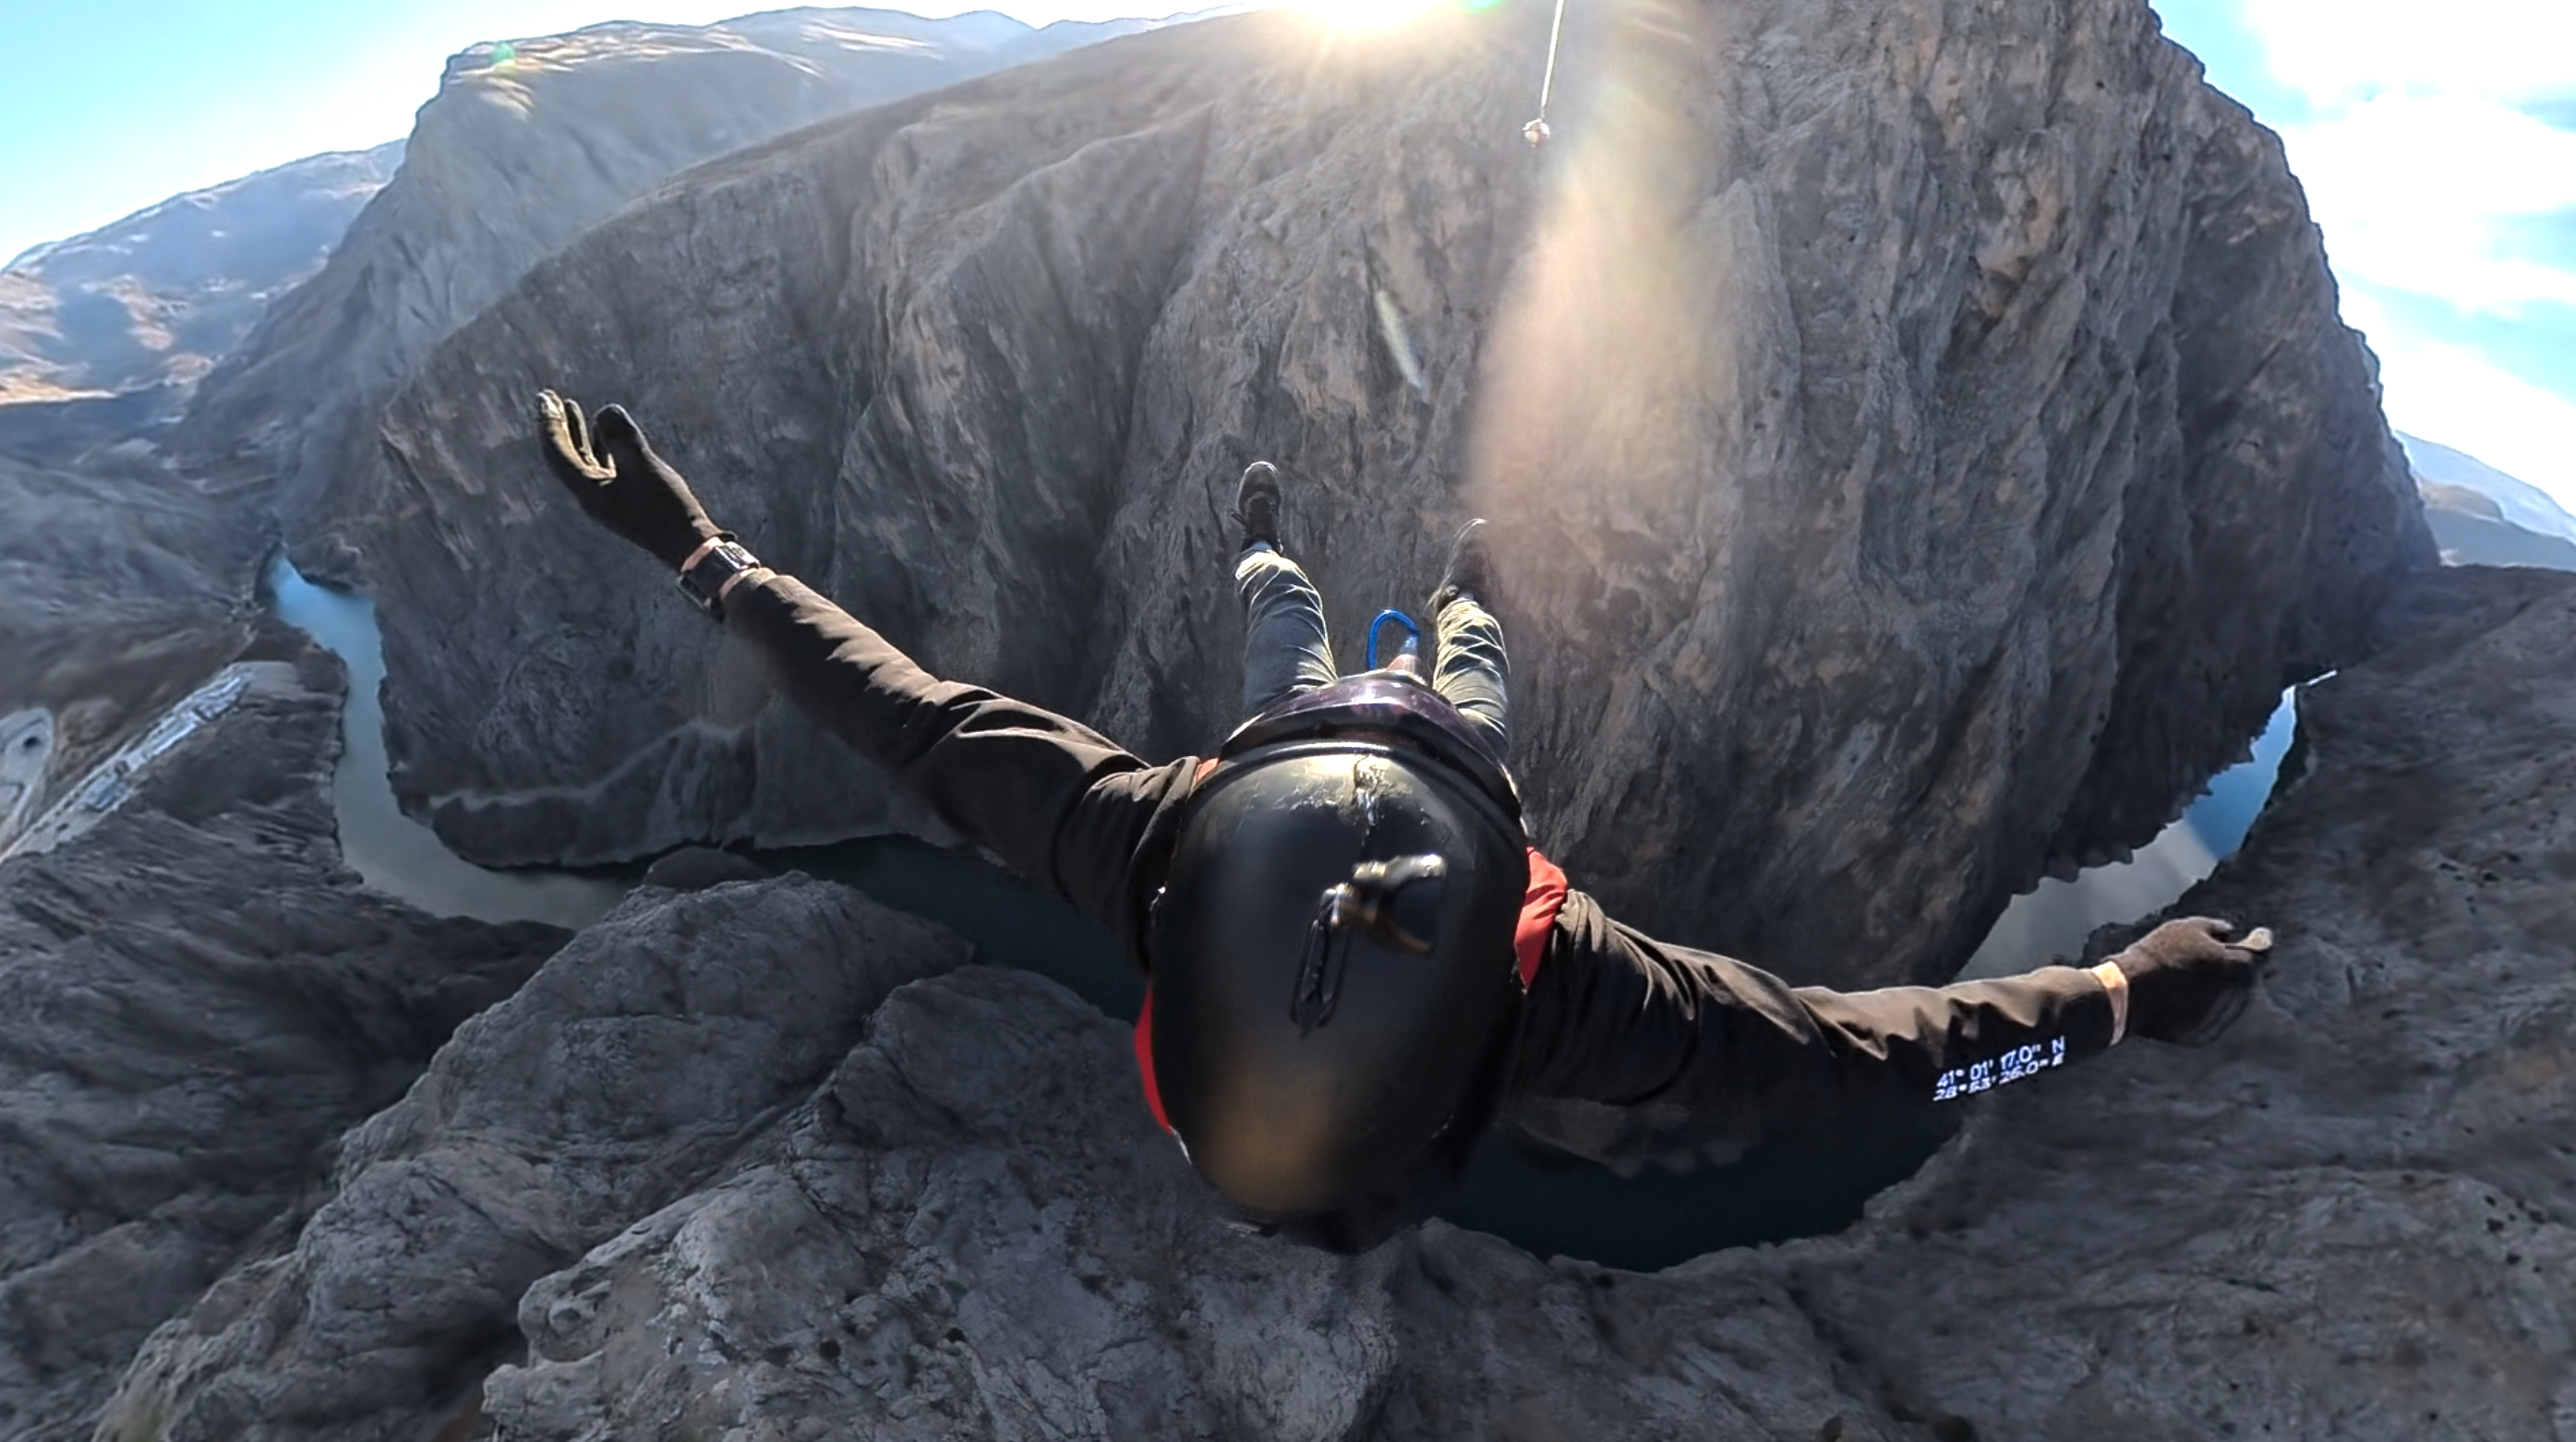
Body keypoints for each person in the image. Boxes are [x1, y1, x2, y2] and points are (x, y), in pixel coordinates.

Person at [537, 390, 2272, 1253]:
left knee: (1319, 622)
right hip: (1362, 742)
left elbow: (895, 709)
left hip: (1356, 740)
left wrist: (702, 553)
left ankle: (1358, 563)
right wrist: (2117, 996)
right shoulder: (1164, 849)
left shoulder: (1496, 962)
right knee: (1398, 643)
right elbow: (1867, 1049)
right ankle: (1426, 580)